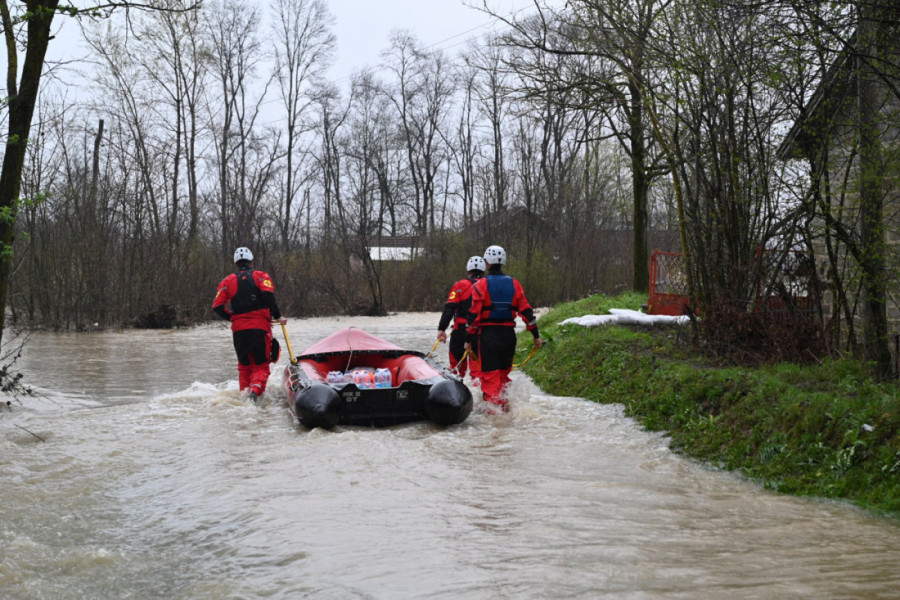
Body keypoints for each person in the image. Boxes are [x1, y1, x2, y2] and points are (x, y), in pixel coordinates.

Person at [465, 245, 542, 412]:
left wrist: (468, 340)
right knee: (503, 377)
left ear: (487, 262)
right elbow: (527, 312)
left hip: (488, 337)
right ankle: (506, 412)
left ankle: (495, 420)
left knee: (491, 379)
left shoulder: (480, 284)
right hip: (508, 337)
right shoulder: (515, 283)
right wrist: (536, 336)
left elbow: (473, 316)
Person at [213, 247, 288, 403]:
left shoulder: (226, 281)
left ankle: (244, 395)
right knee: (261, 364)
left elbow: (217, 306)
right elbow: (268, 295)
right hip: (259, 328)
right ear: (252, 261)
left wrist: (233, 318)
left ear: (236, 264)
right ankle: (255, 393)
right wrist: (278, 316)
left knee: (244, 366)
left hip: (239, 331)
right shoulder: (261, 276)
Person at [436, 256, 485, 380]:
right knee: (478, 370)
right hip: (481, 330)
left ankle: (457, 389)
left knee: (456, 368)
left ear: (468, 271)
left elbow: (450, 308)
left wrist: (442, 329)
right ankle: (478, 391)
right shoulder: (488, 285)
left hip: (460, 330)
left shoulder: (460, 285)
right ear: (483, 270)